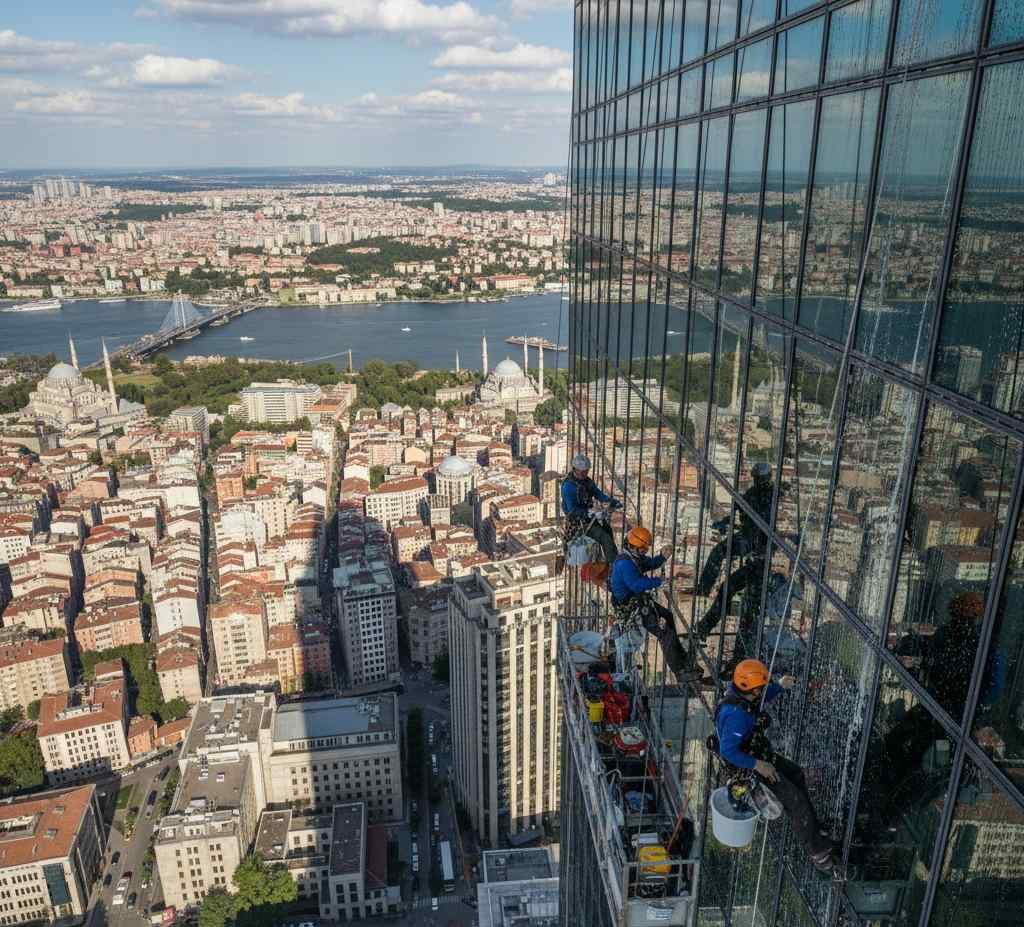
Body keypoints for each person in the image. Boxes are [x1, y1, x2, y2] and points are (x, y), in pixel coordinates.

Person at [715, 659, 838, 873]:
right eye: (760, 688)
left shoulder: (742, 696)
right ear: (749, 689)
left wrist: (779, 686)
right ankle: (817, 852)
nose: (763, 691)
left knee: (796, 774)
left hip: (758, 754)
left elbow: (760, 699)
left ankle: (814, 829)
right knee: (794, 800)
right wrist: (758, 766)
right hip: (749, 765)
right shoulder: (736, 715)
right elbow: (728, 751)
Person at [694, 462, 774, 641]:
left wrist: (729, 523)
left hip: (756, 548)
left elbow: (758, 521)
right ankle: (704, 613)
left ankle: (705, 619)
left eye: (758, 479)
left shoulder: (769, 497)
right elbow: (739, 508)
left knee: (745, 605)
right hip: (751, 545)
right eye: (756, 479)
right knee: (723, 570)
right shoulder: (755, 493)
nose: (757, 481)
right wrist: (725, 521)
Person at [609, 526, 691, 678]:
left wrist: (662, 557)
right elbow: (636, 584)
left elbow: (649, 564)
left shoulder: (632, 557)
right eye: (642, 549)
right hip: (633, 607)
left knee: (667, 616)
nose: (644, 552)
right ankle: (680, 670)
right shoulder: (625, 563)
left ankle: (681, 656)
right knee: (664, 632)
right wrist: (658, 582)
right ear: (634, 546)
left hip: (637, 601)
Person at [561, 453, 620, 564]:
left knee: (608, 531)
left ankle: (612, 562)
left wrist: (610, 501)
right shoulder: (568, 487)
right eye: (582, 471)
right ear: (575, 469)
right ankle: (614, 567)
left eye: (586, 471)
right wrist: (589, 513)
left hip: (588, 519)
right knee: (604, 537)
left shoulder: (587, 482)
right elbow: (571, 510)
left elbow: (597, 494)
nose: (585, 474)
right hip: (577, 523)